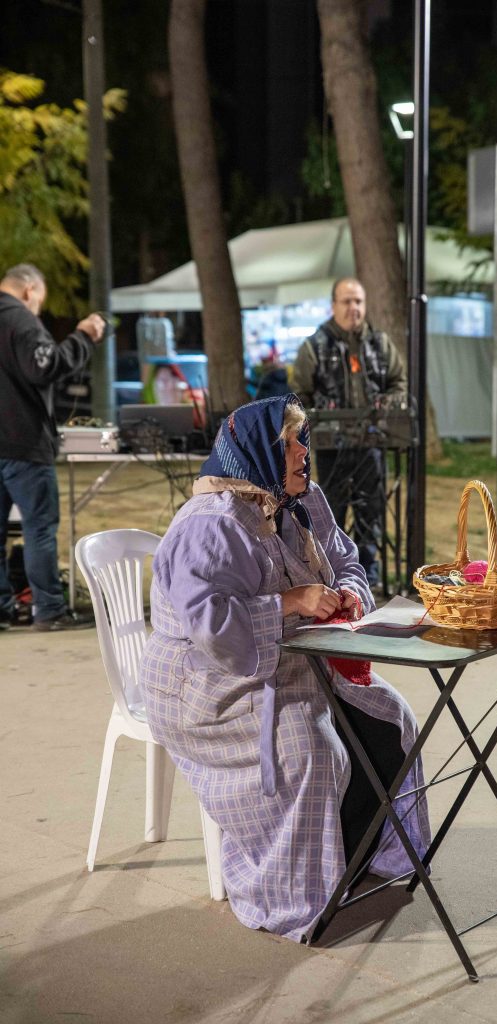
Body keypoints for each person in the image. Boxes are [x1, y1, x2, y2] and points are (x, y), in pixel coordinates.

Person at [138, 394, 430, 941]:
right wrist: (292, 602)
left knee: (393, 719)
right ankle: (292, 892)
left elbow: (346, 558)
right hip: (209, 685)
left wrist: (347, 594)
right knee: (312, 750)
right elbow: (212, 629)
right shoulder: (211, 524)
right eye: (290, 442)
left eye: (303, 438)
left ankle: (352, 860)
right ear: (256, 454)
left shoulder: (301, 498)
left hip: (292, 657)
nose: (303, 451)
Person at [0, 263, 105, 631]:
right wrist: (83, 337)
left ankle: (3, 608)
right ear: (29, 290)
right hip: (23, 444)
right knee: (38, 529)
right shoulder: (21, 320)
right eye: (39, 300)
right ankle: (48, 611)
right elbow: (44, 367)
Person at [292, 277, 407, 589]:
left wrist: (388, 403)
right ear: (333, 306)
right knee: (330, 511)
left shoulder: (380, 344)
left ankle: (368, 577)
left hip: (373, 443)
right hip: (332, 448)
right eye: (346, 301)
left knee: (372, 510)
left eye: (358, 301)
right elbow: (299, 395)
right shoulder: (314, 346)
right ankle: (332, 576)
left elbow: (399, 382)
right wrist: (320, 416)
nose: (353, 308)